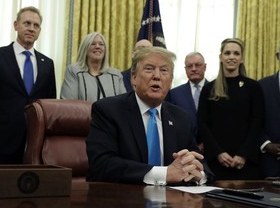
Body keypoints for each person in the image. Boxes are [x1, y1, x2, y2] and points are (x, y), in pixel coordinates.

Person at [86, 46, 214, 185]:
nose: (157, 76)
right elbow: (101, 165)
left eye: (164, 71)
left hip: (170, 202)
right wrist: (164, 174)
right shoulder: (108, 110)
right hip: (122, 199)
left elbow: (197, 158)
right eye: (149, 69)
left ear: (170, 82)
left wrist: (199, 174)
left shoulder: (181, 118)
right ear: (133, 78)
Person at [0, 6, 56, 164]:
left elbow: (50, 106)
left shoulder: (47, 64)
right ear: (16, 25)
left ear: (40, 31)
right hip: (2, 144)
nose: (31, 28)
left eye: (36, 25)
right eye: (27, 23)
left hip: (36, 146)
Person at [197, 38, 264, 180]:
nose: (231, 57)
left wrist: (243, 154)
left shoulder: (253, 87)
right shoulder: (209, 88)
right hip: (217, 162)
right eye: (227, 53)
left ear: (242, 58)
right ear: (221, 57)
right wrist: (218, 153)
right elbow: (202, 123)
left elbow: (257, 122)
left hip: (246, 162)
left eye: (236, 53)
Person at [60, 32, 126, 102]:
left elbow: (124, 104)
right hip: (83, 113)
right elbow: (68, 104)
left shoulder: (116, 74)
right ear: (85, 49)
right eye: (92, 44)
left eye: (101, 44)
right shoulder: (73, 71)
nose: (97, 47)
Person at [165, 52, 208, 152]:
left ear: (205, 67)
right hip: (183, 150)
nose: (193, 69)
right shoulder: (174, 93)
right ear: (185, 69)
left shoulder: (216, 91)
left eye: (197, 65)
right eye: (189, 66)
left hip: (212, 152)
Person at [258, 47, 280, 178]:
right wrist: (266, 144)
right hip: (268, 165)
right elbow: (253, 121)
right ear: (278, 56)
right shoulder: (262, 86)